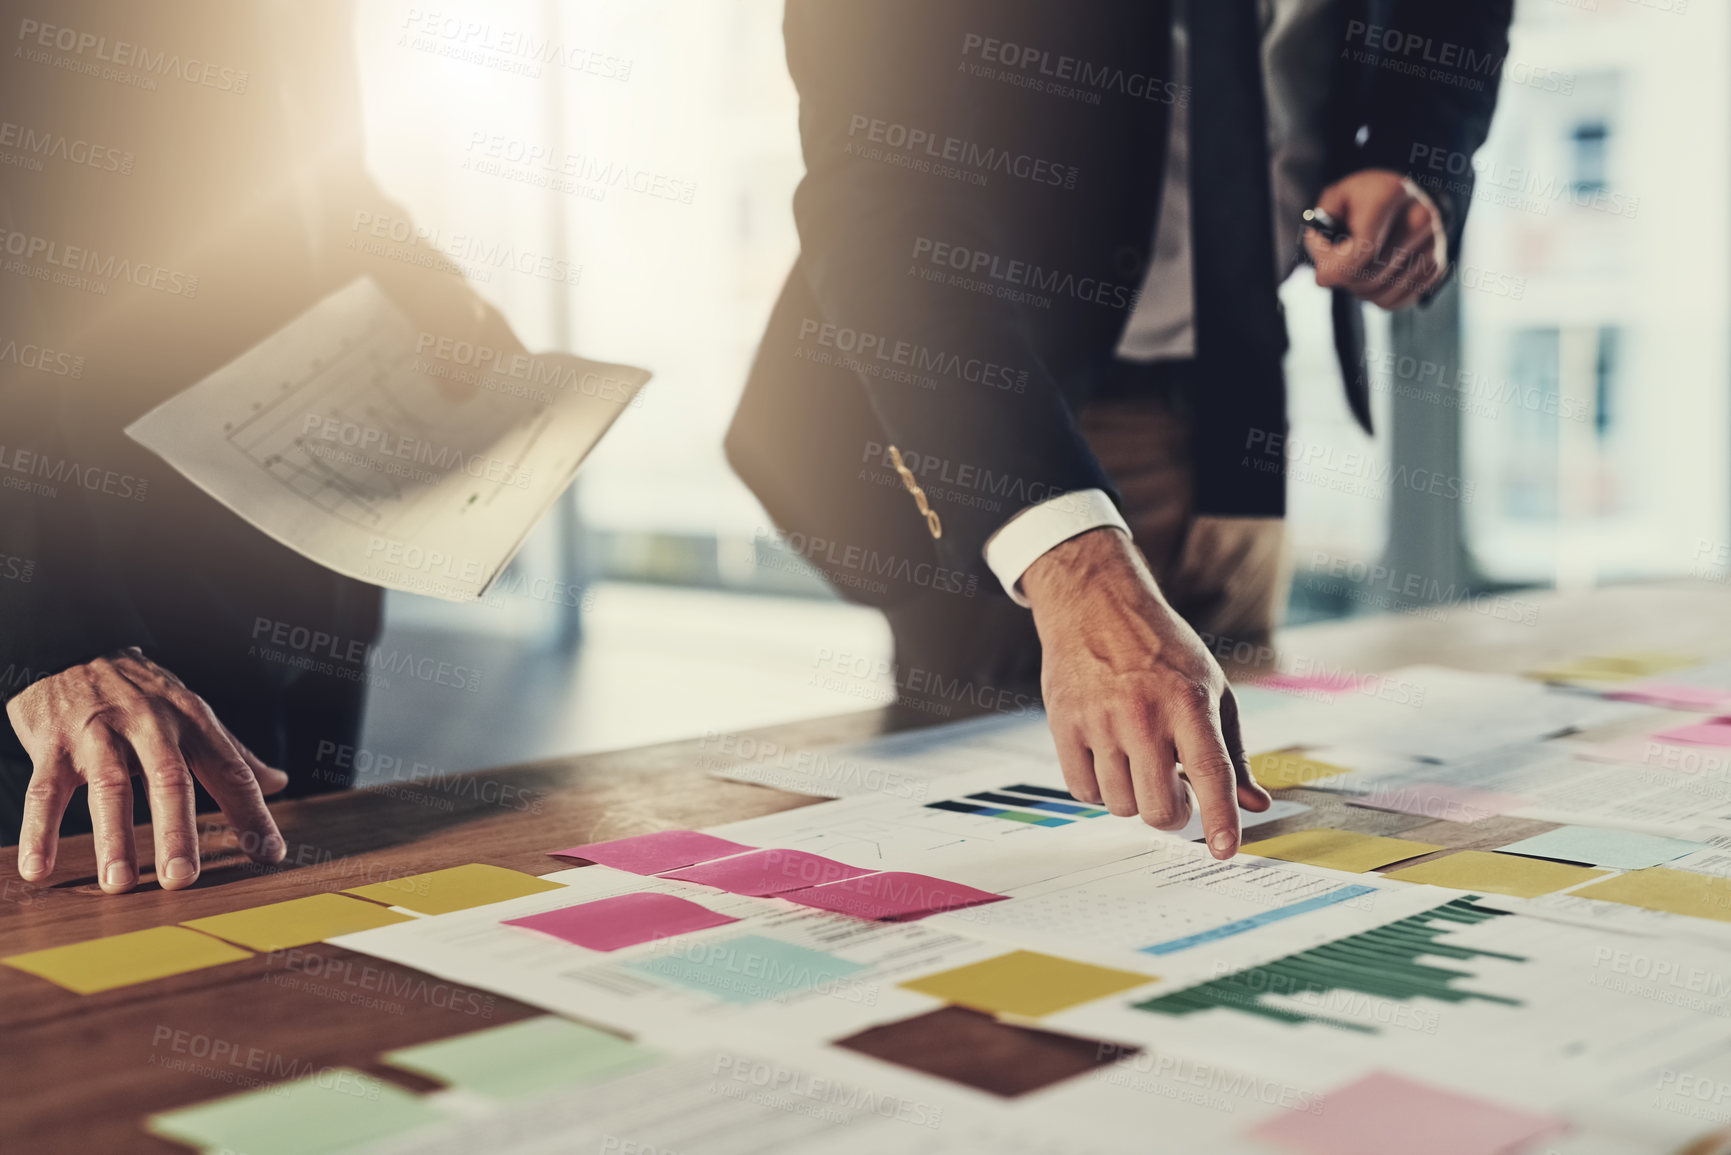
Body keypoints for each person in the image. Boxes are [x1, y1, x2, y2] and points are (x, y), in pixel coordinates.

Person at [726, 0, 1514, 857]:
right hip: (1007, 411)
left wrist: (1413, 162)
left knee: (1243, 828)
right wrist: (1070, 559)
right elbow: (877, 187)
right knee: (994, 848)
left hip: (1240, 383)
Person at [0, 1, 523, 891]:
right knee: (102, 958)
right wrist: (42, 638)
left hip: (304, 569)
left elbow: (320, 184)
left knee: (302, 920)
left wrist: (440, 305)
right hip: (83, 615)